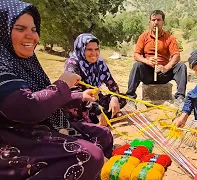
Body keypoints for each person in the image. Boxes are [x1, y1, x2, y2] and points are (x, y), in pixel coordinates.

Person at [0, 1, 113, 179]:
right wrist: (63, 84)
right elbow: (27, 108)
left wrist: (79, 96)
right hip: (11, 136)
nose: (31, 36)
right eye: (20, 29)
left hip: (39, 124)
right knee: (89, 156)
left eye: (34, 29)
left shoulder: (26, 62)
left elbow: (42, 94)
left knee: (103, 134)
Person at [126, 10, 187, 106]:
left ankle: (180, 98)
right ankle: (130, 98)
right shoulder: (143, 37)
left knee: (181, 66)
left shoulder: (169, 38)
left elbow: (176, 56)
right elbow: (136, 55)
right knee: (137, 65)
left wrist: (166, 67)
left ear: (163, 22)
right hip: (148, 73)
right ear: (149, 22)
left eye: (158, 20)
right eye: (153, 20)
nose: (156, 22)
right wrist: (147, 61)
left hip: (164, 74)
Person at [64, 33, 127, 125]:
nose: (94, 53)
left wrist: (114, 98)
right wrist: (98, 110)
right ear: (81, 49)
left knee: (122, 98)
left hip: (95, 98)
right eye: (89, 49)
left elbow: (112, 85)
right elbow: (74, 93)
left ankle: (102, 116)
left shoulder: (100, 63)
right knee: (75, 110)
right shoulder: (72, 64)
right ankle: (103, 116)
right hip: (81, 101)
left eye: (96, 49)